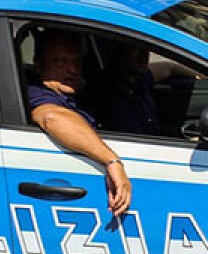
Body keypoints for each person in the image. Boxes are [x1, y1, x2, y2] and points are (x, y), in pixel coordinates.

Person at [26, 29, 132, 216]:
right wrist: (112, 161)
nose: (72, 69)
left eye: (76, 62)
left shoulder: (76, 91)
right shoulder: (39, 95)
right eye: (61, 62)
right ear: (38, 65)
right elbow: (52, 118)